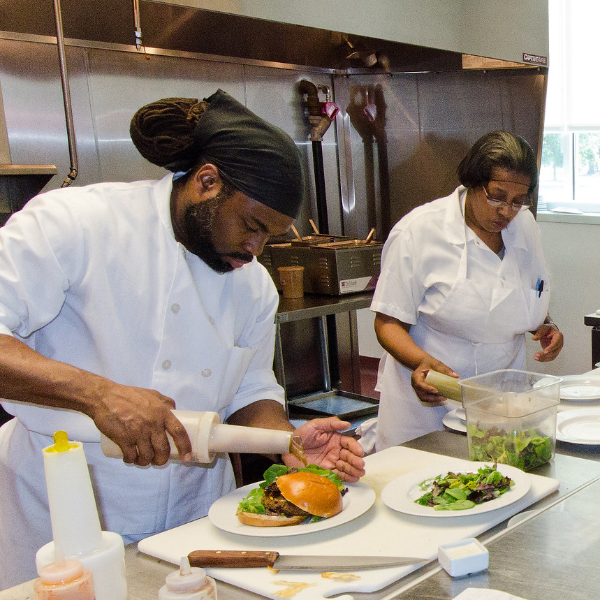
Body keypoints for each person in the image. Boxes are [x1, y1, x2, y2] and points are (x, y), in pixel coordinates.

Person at [0, 89, 365, 589]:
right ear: (207, 182)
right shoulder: (76, 223)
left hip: (196, 520)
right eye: (252, 227)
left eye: (269, 238)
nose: (255, 249)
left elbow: (250, 390)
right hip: (63, 508)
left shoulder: (252, 283)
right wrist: (99, 395)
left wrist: (287, 442)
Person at [371, 130, 563, 450]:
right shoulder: (419, 232)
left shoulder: (525, 226)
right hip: (428, 409)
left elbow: (525, 288)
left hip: (501, 409)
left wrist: (547, 324)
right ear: (473, 182)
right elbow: (388, 322)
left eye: (518, 201)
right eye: (497, 196)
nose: (506, 211)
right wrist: (420, 361)